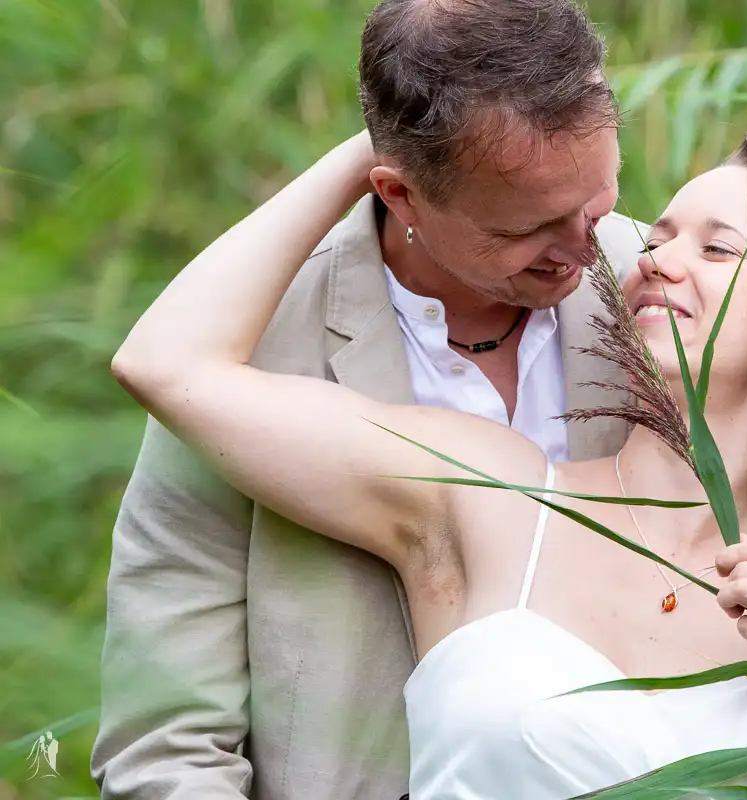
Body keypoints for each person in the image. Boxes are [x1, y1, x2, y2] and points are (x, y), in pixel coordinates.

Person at [110, 126, 747, 798]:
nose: (652, 258)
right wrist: (386, 147)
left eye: (715, 251)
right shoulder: (487, 493)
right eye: (658, 236)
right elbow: (167, 365)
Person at [90, 2, 646, 798]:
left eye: (596, 200)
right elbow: (166, 741)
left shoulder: (666, 295)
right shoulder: (239, 349)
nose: (586, 247)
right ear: (400, 192)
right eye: (529, 227)